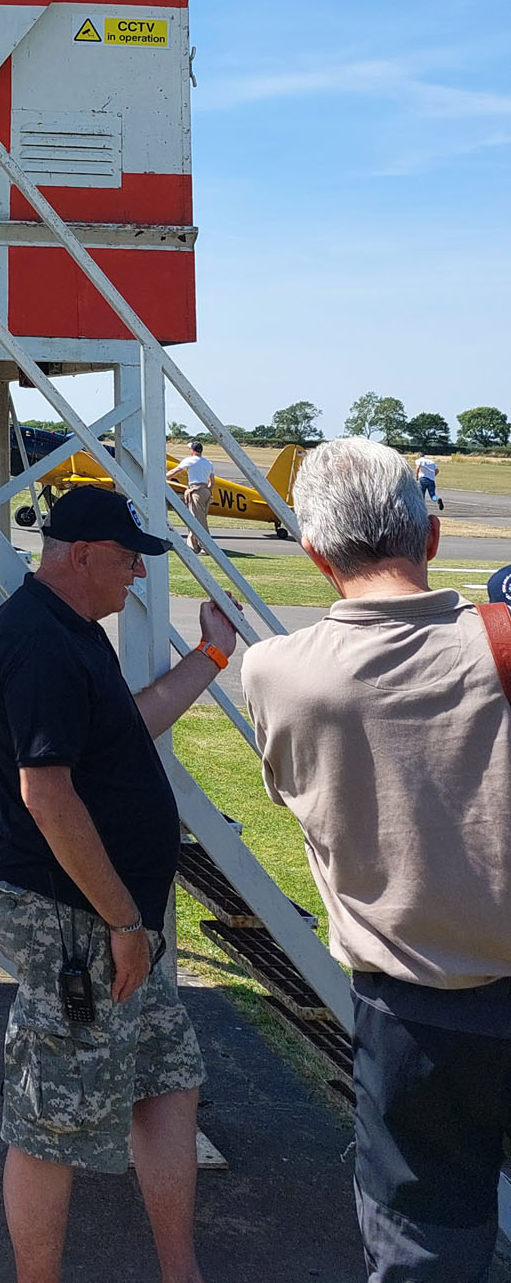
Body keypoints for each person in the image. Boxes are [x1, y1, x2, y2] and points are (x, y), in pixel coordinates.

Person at [241, 439, 511, 1283]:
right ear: (430, 535)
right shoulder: (496, 642)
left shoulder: (278, 673)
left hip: (411, 1015)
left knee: (420, 1240)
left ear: (316, 555)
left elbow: (293, 794)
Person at [0, 485, 237, 1283]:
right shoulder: (42, 640)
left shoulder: (75, 630)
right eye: (127, 561)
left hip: (121, 921)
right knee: (52, 1117)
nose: (134, 577)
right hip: (79, 919)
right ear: (81, 555)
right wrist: (124, 924)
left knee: (168, 1081)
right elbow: (45, 795)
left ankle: (180, 1271)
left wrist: (212, 656)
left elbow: (129, 724)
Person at [168, 441, 215, 533]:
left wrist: (161, 478)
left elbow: (173, 472)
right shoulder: (208, 463)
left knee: (197, 520)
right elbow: (212, 482)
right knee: (199, 517)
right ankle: (192, 545)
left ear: (192, 450)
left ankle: (205, 545)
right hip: (206, 491)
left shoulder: (189, 460)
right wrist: (207, 490)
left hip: (196, 491)